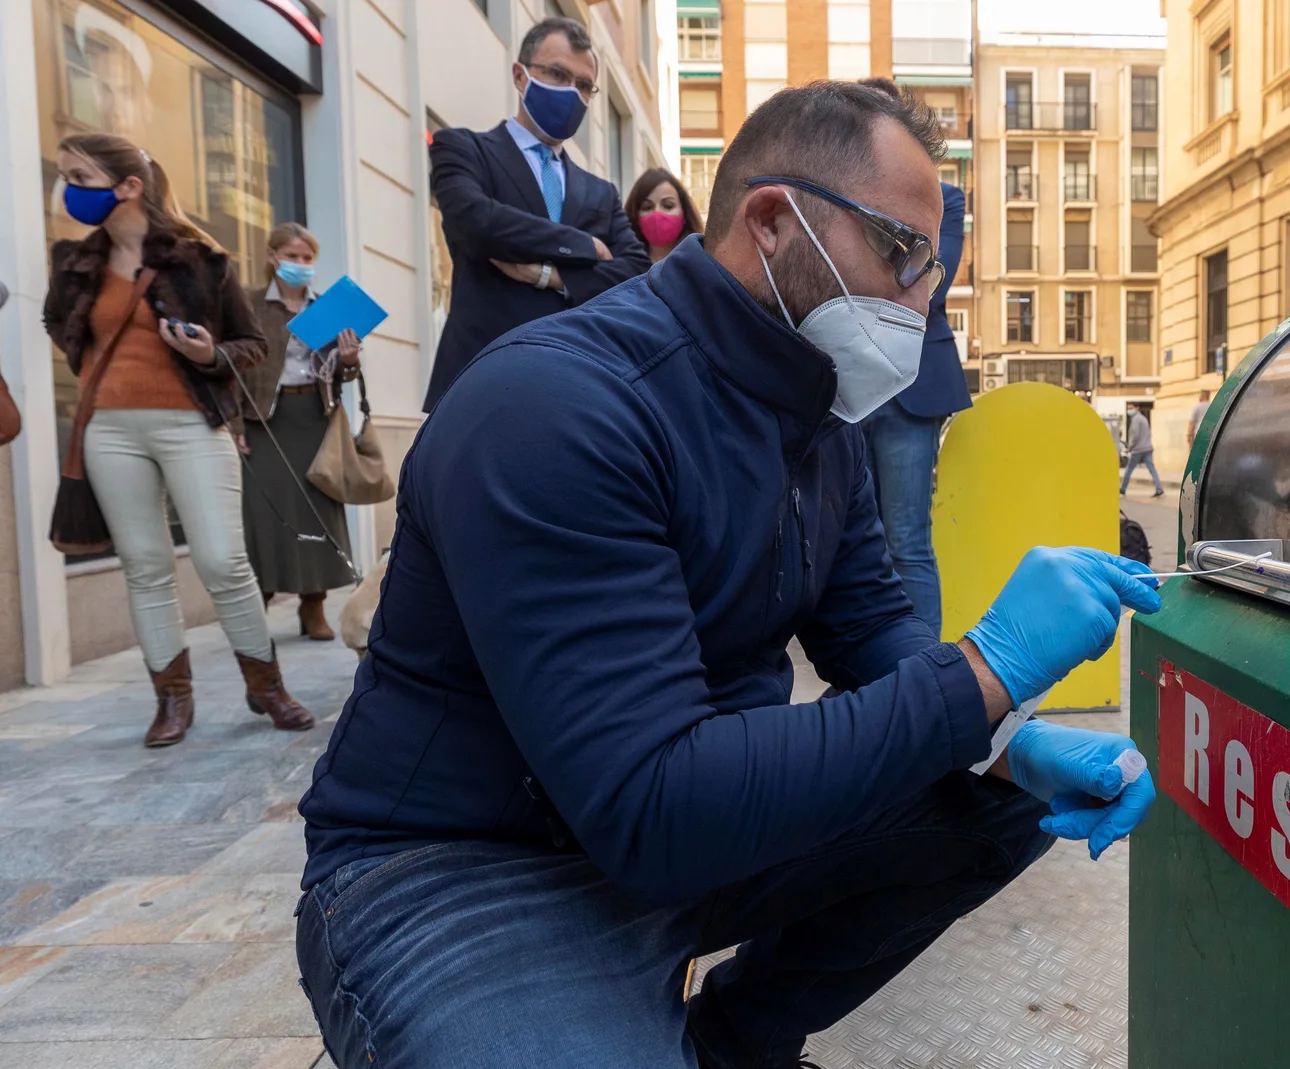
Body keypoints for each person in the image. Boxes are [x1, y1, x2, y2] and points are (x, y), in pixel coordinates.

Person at [296, 82, 1161, 1069]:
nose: (924, 306)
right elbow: (654, 806)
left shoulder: (815, 417)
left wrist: (1006, 732)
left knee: (997, 790)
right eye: (904, 256)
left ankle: (739, 1045)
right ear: (771, 220)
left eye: (938, 273)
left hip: (683, 826)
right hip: (463, 868)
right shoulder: (556, 407)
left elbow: (867, 626)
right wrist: (983, 670)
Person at [42, 133, 313, 748]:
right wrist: (89, 365)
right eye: (65, 177)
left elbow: (252, 344)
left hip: (191, 422)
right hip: (109, 429)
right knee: (145, 566)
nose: (68, 190)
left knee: (223, 559)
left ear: (129, 187)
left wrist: (206, 352)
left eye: (79, 178)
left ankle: (265, 684)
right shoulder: (72, 261)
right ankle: (172, 699)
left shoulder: (200, 259)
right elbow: (57, 322)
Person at [423, 17, 650, 411]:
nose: (573, 94)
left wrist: (551, 275)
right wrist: (582, 245)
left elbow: (634, 270)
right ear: (520, 75)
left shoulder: (600, 191)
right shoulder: (462, 149)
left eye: (584, 85)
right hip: (482, 385)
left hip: (577, 387)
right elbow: (475, 223)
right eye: (559, 75)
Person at [854, 76, 969, 636]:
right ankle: (872, 680)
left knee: (905, 539)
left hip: (909, 386)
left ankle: (925, 674)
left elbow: (927, 284)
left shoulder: (943, 198)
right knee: (856, 542)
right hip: (844, 381)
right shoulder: (838, 195)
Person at [238, 223, 359, 642]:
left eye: (307, 258)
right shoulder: (249, 305)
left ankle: (314, 607)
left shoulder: (326, 307)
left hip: (314, 415)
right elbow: (232, 368)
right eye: (292, 256)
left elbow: (344, 375)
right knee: (263, 514)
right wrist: (233, 424)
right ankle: (258, 608)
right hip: (264, 420)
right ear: (273, 257)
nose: (301, 265)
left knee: (317, 512)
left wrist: (349, 359)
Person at [625, 167, 704, 263]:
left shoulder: (702, 262)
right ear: (635, 216)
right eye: (647, 207)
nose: (657, 213)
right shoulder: (623, 267)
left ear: (684, 212)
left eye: (668, 206)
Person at [1120, 402, 1162, 497]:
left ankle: (1122, 489)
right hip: (1147, 448)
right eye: (1128, 408)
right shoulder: (1143, 419)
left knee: (1129, 469)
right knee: (1152, 469)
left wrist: (1130, 447)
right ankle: (1159, 488)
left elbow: (1135, 435)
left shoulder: (1136, 420)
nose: (1129, 410)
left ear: (1137, 408)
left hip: (1138, 450)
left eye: (1131, 408)